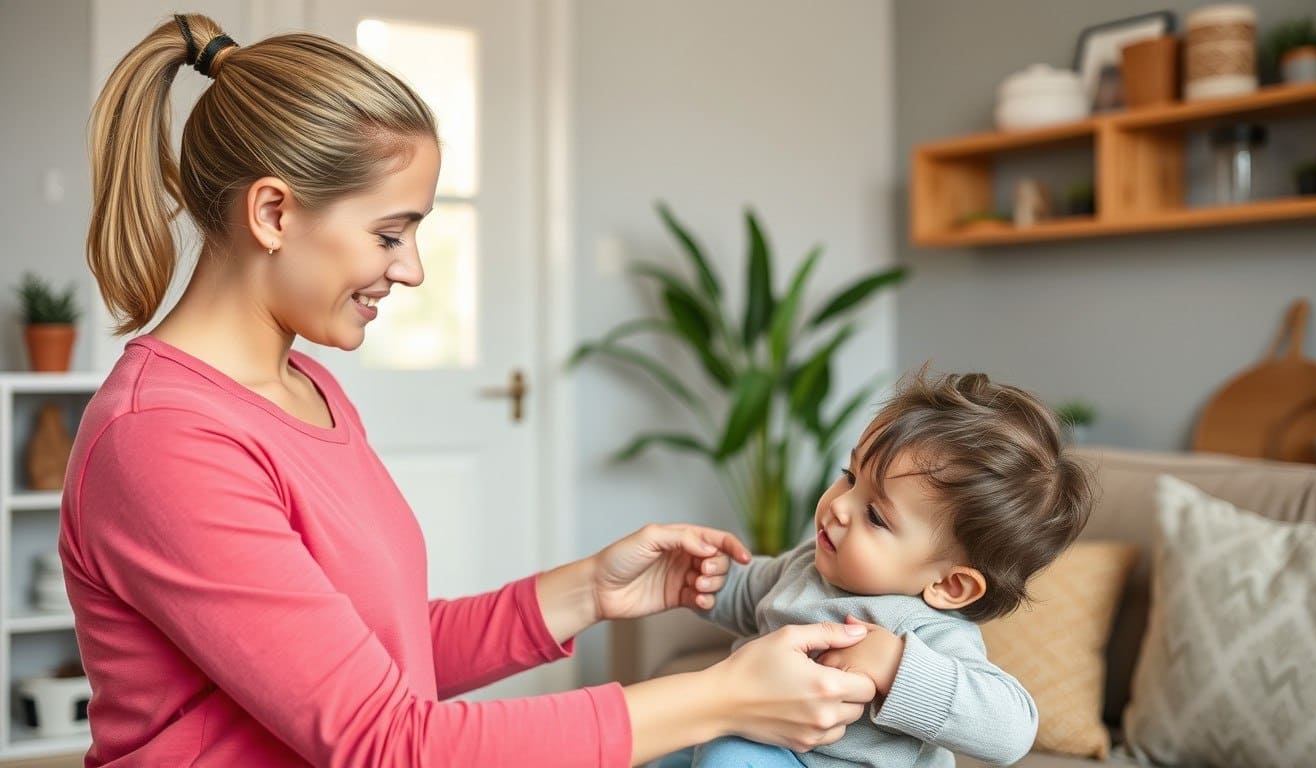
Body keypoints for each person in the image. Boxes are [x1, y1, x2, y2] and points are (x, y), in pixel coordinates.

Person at [63, 14, 878, 766]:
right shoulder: (163, 439)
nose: (411, 270)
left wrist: (587, 589)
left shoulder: (303, 386)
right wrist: (721, 697)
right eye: (389, 233)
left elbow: (373, 663)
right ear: (273, 212)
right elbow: (386, 744)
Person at [686, 369, 1095, 768]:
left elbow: (1012, 731)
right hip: (756, 734)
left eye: (876, 516)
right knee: (664, 747)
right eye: (850, 477)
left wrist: (896, 665)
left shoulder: (927, 629)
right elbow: (747, 594)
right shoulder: (810, 563)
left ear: (951, 586)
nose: (840, 507)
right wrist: (706, 576)